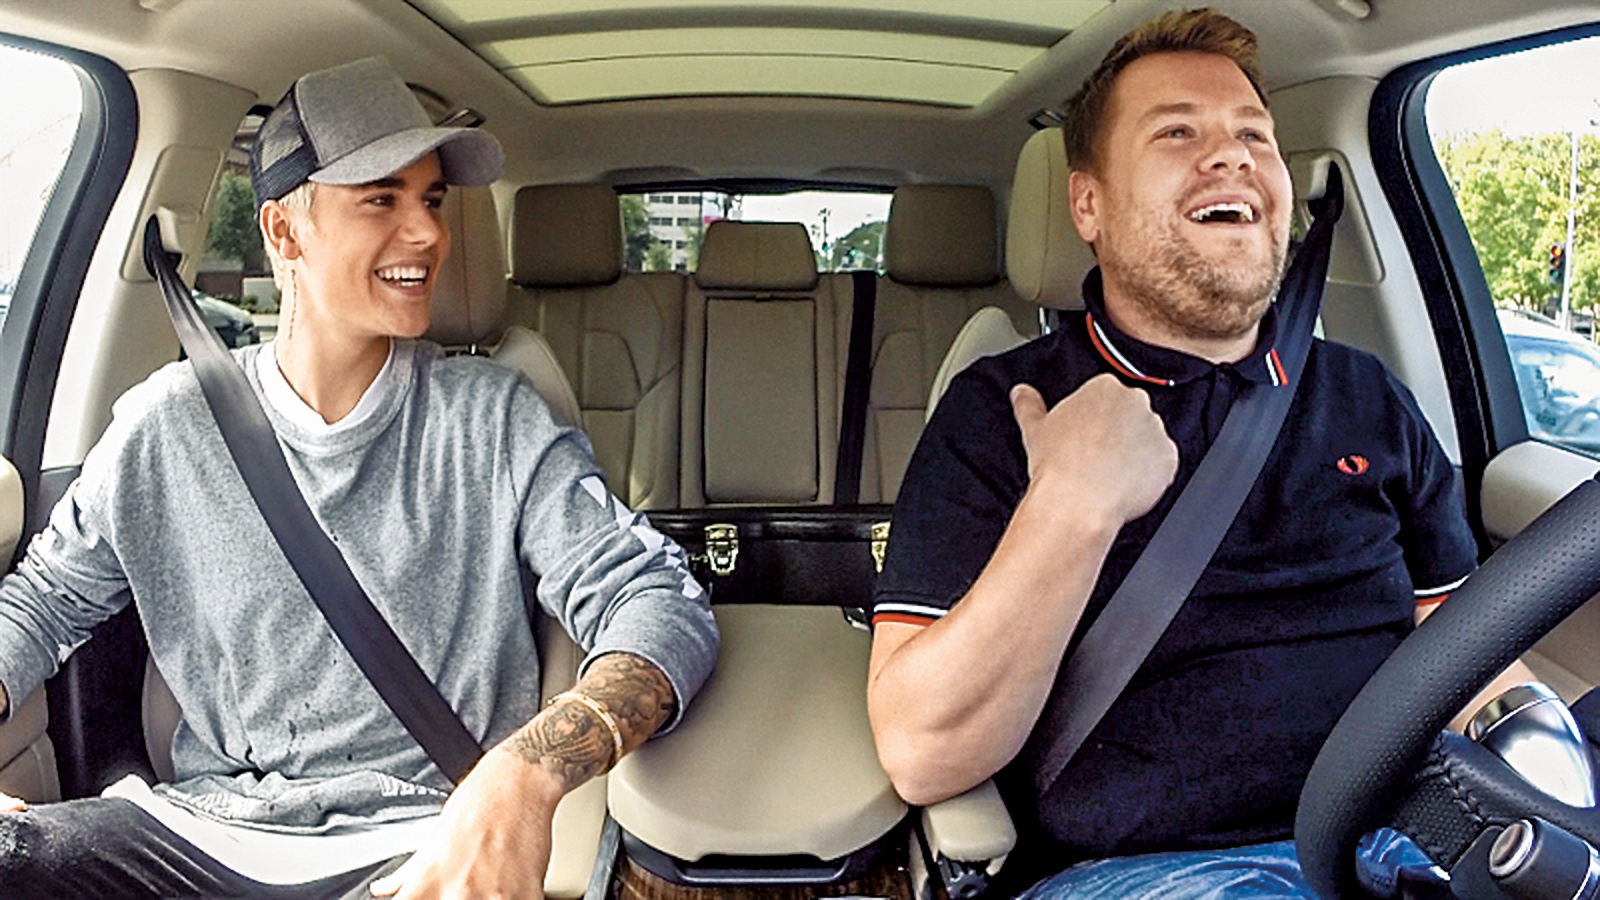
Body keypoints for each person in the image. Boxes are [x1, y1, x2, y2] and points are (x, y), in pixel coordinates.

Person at [0, 57, 717, 899]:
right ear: (284, 233)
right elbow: (41, 604)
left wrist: (526, 771)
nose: (429, 234)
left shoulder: (493, 418)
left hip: (427, 842)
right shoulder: (166, 425)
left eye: (433, 200)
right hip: (203, 836)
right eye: (382, 199)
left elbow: (659, 602)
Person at [866, 10, 1534, 899]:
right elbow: (922, 752)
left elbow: (1466, 648)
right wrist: (1070, 508)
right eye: (1177, 132)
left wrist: (1546, 769)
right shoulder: (1002, 408)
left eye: (1254, 135)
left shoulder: (1368, 397)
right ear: (1089, 204)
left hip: (1413, 840)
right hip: (1148, 871)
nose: (1231, 156)